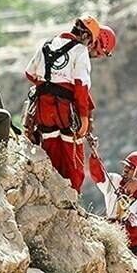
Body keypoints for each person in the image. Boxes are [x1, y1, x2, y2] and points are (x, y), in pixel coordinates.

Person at [24, 15, 101, 192]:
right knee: (73, 154)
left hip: (43, 108)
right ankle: (72, 195)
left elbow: (30, 73)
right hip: (66, 110)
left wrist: (49, 85)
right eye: (90, 42)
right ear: (86, 36)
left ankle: (51, 191)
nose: (89, 46)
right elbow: (81, 87)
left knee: (50, 149)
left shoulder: (46, 44)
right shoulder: (80, 51)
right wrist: (84, 116)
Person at [89, 150, 137, 260]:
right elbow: (98, 176)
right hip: (108, 232)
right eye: (126, 166)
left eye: (130, 167)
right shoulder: (114, 180)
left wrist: (126, 215)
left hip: (129, 245)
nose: (125, 169)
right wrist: (94, 156)